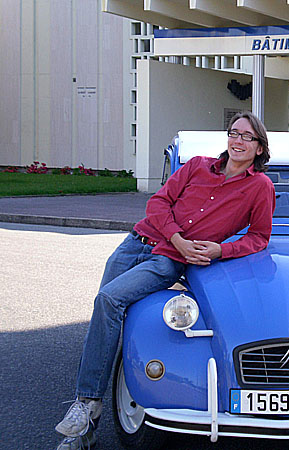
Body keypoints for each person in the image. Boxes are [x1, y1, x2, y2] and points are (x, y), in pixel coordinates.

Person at [54, 111, 276, 449]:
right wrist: (177, 237)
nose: (238, 141)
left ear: (260, 147)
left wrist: (220, 249)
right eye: (234, 133)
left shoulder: (260, 186)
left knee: (109, 301)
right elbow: (158, 203)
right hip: (137, 242)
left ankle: (85, 404)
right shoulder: (198, 165)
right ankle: (87, 430)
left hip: (168, 260)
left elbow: (259, 237)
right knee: (106, 319)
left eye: (248, 137)